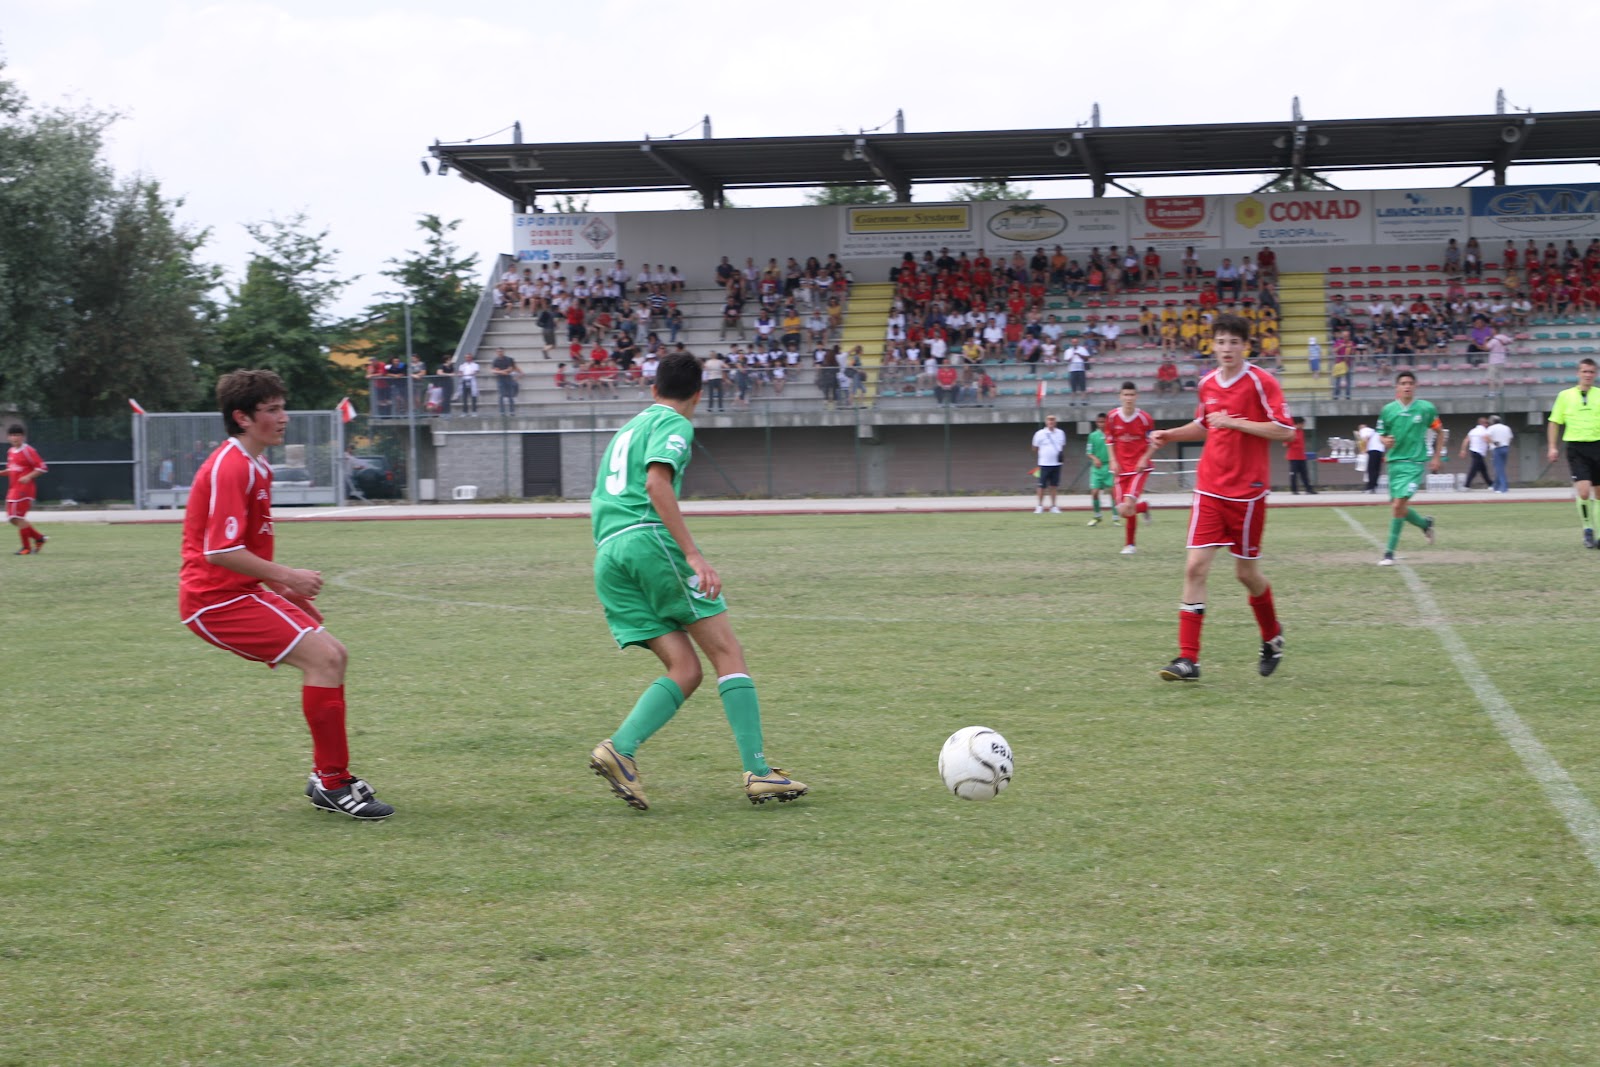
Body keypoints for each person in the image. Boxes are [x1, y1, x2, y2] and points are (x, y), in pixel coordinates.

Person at [585, 351, 807, 810]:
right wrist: (692, 553)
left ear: (653, 389)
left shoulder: (628, 428)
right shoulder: (675, 424)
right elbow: (656, 484)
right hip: (648, 543)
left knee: (686, 669)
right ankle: (759, 771)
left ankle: (619, 749)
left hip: (608, 553)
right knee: (727, 650)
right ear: (699, 395)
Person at [179, 371, 394, 819]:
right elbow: (219, 550)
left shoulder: (255, 464)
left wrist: (280, 586)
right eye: (272, 410)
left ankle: (327, 777)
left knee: (334, 653)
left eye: (282, 407)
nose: (284, 417)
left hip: (241, 592)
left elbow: (246, 544)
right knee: (325, 659)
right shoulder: (231, 465)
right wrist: (289, 576)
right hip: (214, 601)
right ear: (242, 417)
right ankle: (333, 782)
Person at [1148, 313, 1293, 681]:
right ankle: (1187, 659)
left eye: (1233, 342)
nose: (1226, 348)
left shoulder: (1262, 382)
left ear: (1246, 346)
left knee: (1247, 574)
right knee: (1195, 567)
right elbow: (1205, 423)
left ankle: (1272, 635)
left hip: (1247, 494)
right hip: (1210, 486)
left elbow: (1285, 431)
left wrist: (1236, 422)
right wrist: (1171, 434)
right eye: (1221, 341)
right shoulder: (1207, 383)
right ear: (1211, 345)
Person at [1375, 370, 1445, 566]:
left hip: (1414, 464)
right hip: (1394, 464)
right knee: (1400, 507)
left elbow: (1440, 432)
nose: (1407, 386)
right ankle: (1425, 524)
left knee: (1398, 506)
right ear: (1397, 387)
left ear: (1415, 386)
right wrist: (1384, 439)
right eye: (1403, 383)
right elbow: (1381, 433)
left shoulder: (1426, 409)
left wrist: (1437, 457)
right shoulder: (1388, 410)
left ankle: (1389, 553)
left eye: (1410, 383)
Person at [1547, 358, 1600, 546]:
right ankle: (1588, 530)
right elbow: (1554, 422)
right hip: (1576, 448)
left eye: (1591, 372)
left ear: (1596, 374)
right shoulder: (1565, 396)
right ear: (1578, 373)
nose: (1588, 375)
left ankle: (1599, 535)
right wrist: (1552, 446)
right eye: (1584, 371)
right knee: (1584, 492)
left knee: (1599, 493)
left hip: (1598, 446)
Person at [1106, 383, 1155, 553]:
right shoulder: (1112, 417)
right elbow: (1110, 440)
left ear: (1136, 397)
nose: (1128, 398)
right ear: (1120, 396)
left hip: (1138, 469)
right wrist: (1112, 459)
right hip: (1120, 468)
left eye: (1132, 395)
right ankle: (1144, 507)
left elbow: (1153, 443)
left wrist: (1144, 458)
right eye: (1125, 395)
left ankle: (1130, 545)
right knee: (1122, 510)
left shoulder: (1144, 418)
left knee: (1127, 505)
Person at [5, 424, 49, 555]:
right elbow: (11, 469)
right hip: (13, 489)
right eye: (12, 435)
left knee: (17, 517)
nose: (15, 438)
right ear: (8, 437)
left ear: (23, 437)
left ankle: (26, 547)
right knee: (13, 519)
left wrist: (28, 476)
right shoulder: (11, 452)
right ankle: (38, 538)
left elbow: (42, 467)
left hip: (25, 489)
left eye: (17, 435)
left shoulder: (28, 451)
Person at [1031, 414, 1066, 514]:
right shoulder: (1040, 433)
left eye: (1053, 420)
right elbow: (1035, 448)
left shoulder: (1061, 433)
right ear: (1046, 422)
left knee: (1054, 485)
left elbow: (1062, 445)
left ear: (1056, 422)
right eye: (1049, 420)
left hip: (1056, 464)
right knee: (1041, 486)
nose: (1051, 422)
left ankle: (1053, 506)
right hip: (1044, 464)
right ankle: (1040, 506)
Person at [1085, 412, 1114, 526]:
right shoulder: (1092, 436)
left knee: (1112, 491)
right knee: (1094, 492)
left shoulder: (1111, 435)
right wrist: (1095, 458)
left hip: (1109, 466)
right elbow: (1089, 452)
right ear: (1096, 423)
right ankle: (1097, 516)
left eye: (1103, 422)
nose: (1101, 424)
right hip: (1097, 468)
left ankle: (1115, 517)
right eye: (1099, 422)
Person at [1286, 416, 1316, 494]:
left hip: (1301, 456)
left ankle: (1308, 489)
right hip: (1293, 457)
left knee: (1304, 474)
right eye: (1303, 424)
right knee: (1294, 474)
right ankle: (1294, 490)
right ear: (1298, 424)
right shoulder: (1291, 431)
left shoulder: (1301, 432)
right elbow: (1285, 444)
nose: (1303, 425)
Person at [1460, 416, 1492, 490]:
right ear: (1483, 423)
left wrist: (1463, 450)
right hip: (1479, 452)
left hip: (1473, 451)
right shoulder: (1484, 431)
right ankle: (1466, 485)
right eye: (1487, 423)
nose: (1487, 424)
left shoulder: (1473, 431)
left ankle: (1491, 484)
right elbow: (1486, 439)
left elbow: (1466, 440)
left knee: (1483, 469)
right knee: (1473, 470)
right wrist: (1493, 445)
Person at [1487, 414, 1513, 493]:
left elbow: (1485, 437)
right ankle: (1496, 486)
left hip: (1497, 448)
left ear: (1492, 421)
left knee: (1499, 468)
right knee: (1501, 467)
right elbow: (1510, 437)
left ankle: (1504, 488)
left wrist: (1493, 443)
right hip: (1505, 447)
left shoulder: (1491, 428)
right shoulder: (1506, 427)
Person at [491, 347, 520, 415]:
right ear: (496, 352)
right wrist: (502, 372)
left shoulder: (508, 359)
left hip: (508, 378)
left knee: (510, 395)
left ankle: (512, 411)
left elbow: (510, 369)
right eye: (498, 351)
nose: (500, 353)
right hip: (500, 379)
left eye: (501, 351)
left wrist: (500, 371)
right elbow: (493, 370)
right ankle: (502, 411)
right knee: (501, 395)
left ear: (503, 352)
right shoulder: (495, 360)